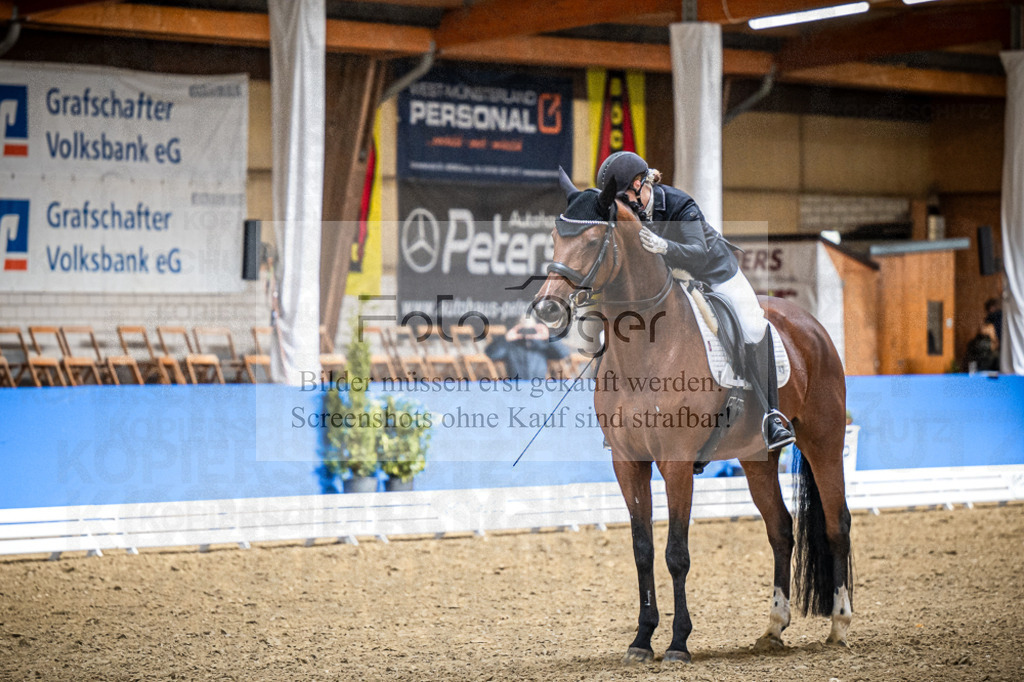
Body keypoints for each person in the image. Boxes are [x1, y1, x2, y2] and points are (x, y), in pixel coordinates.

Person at [596, 151, 795, 450]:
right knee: (611, 332)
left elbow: (698, 252)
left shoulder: (678, 203)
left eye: (622, 196)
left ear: (639, 184)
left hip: (714, 272)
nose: (619, 205)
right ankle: (616, 418)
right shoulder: (625, 214)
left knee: (753, 325)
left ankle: (771, 415)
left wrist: (664, 246)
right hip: (670, 281)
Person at [486, 315, 570, 380]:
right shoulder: (511, 345)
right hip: (516, 387)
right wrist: (506, 338)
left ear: (535, 328)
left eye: (531, 330)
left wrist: (548, 337)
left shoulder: (542, 345)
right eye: (523, 330)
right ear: (517, 328)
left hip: (538, 386)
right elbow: (492, 354)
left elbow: (563, 353)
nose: (527, 333)